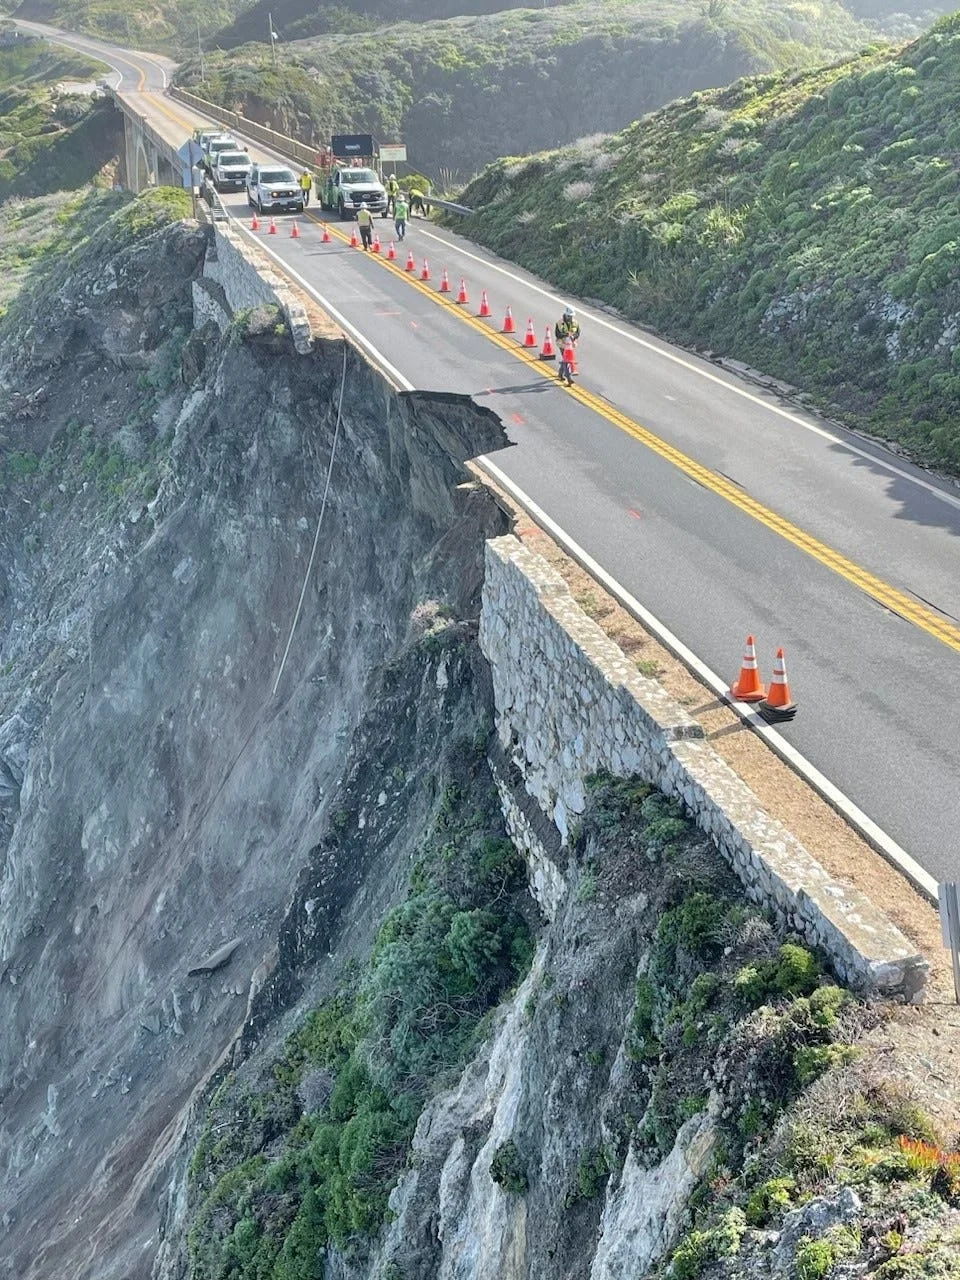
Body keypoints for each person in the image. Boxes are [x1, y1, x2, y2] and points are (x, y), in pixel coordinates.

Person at [555, 305, 580, 386]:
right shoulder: (559, 323)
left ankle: (560, 374)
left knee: (566, 359)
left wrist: (573, 336)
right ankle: (569, 378)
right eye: (569, 316)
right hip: (562, 344)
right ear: (566, 315)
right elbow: (557, 334)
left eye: (571, 316)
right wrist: (566, 334)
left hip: (570, 345)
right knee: (566, 360)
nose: (570, 318)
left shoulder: (575, 322)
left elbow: (578, 333)